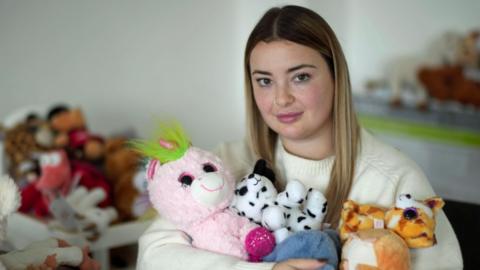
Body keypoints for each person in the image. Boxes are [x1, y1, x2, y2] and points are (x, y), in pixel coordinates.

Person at [137, 5, 463, 270]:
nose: (281, 99)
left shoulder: (394, 180)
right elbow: (154, 256)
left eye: (300, 77)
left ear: (336, 77)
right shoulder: (223, 165)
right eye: (264, 81)